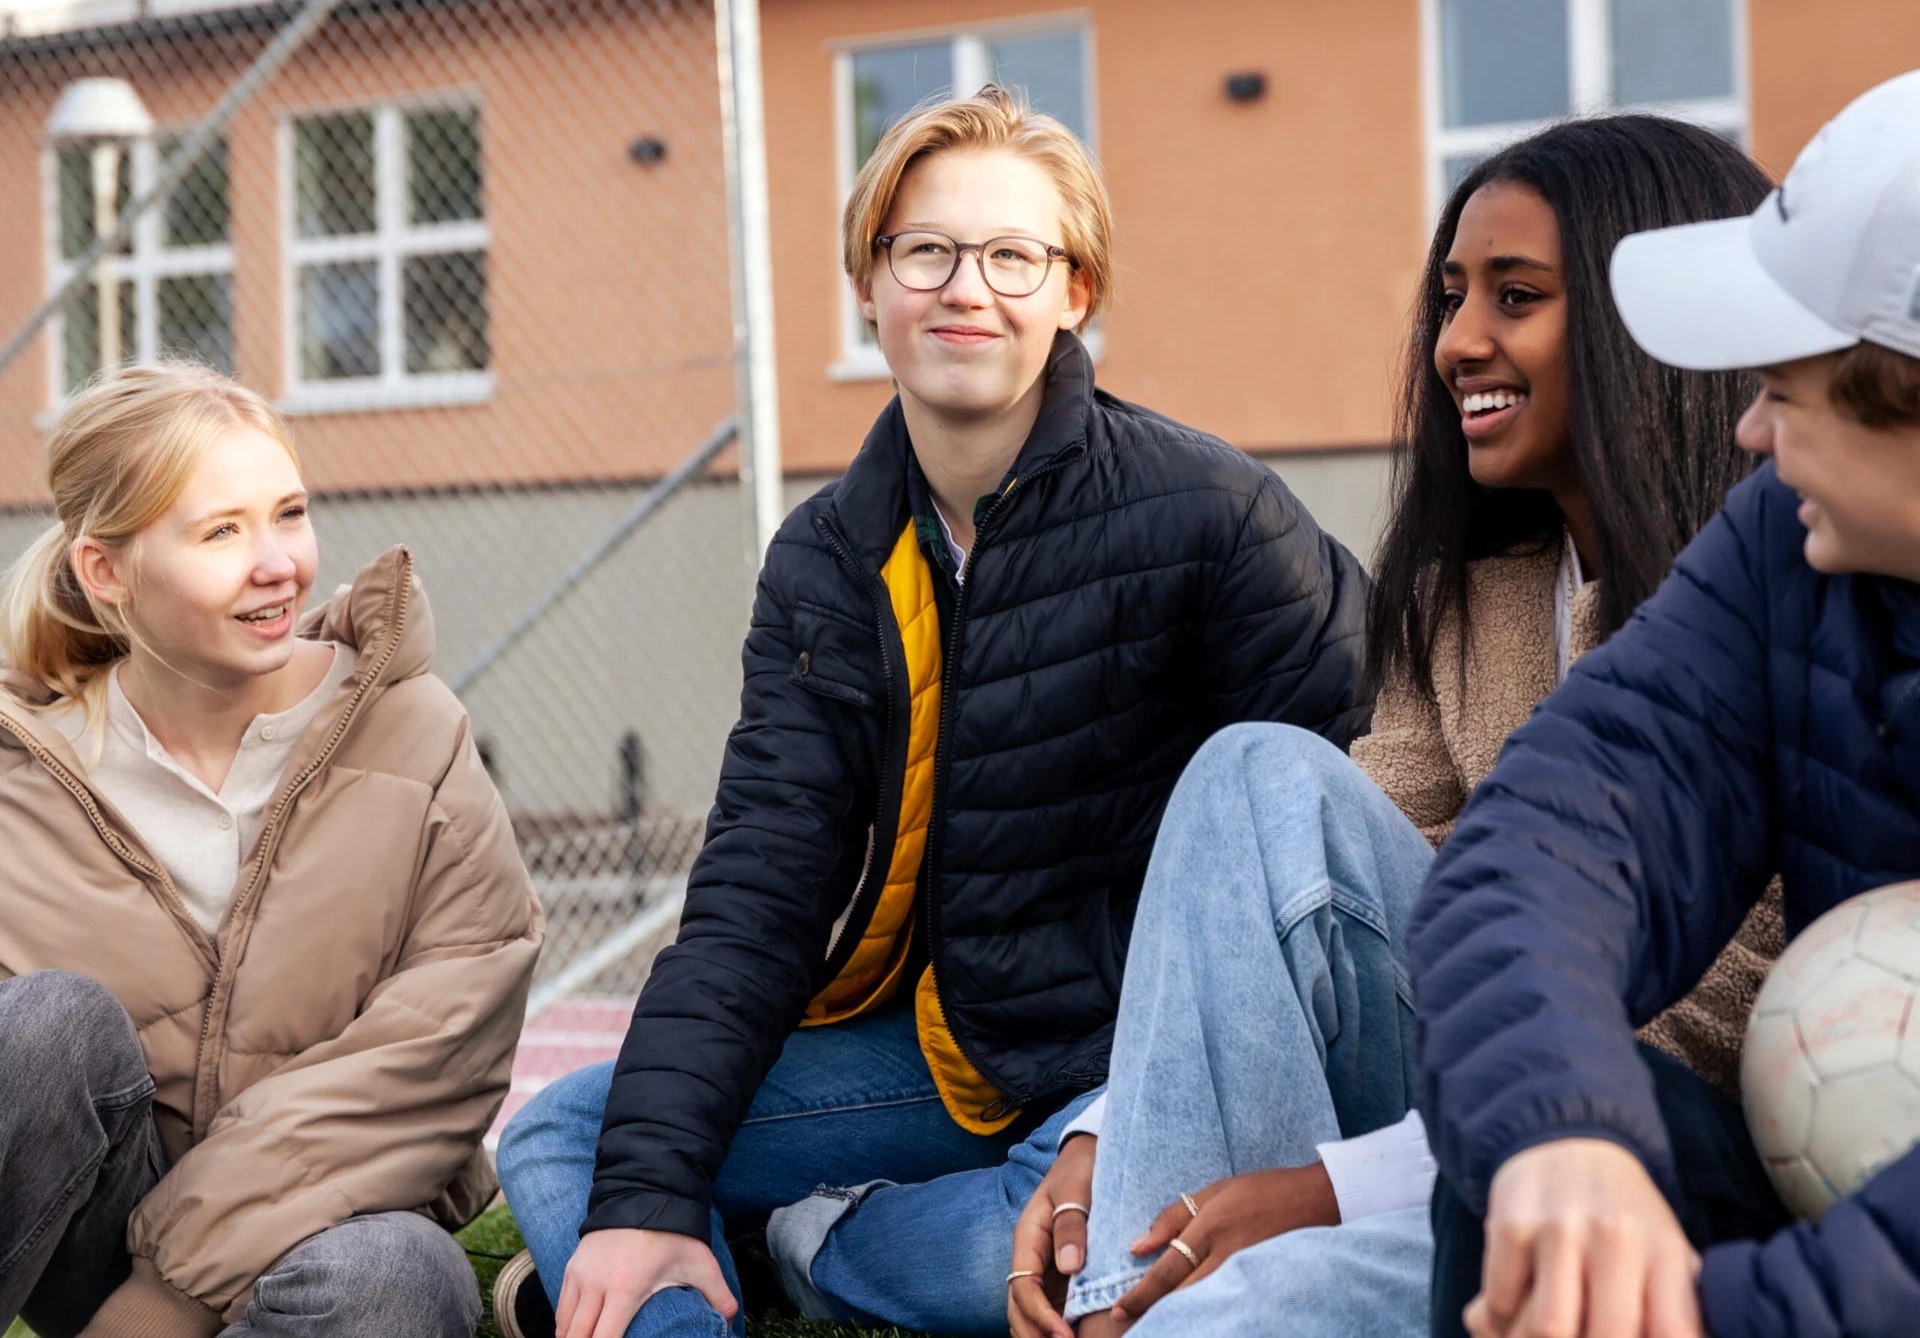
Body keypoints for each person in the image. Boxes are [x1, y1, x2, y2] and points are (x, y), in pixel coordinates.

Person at [494, 85, 1373, 1338]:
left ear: (1075, 292)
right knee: (581, 1143)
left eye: (1014, 256)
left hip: (1162, 1075)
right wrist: (648, 1196)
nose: (968, 289)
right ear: (869, 285)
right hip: (952, 1058)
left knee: (1077, 1264)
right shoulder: (827, 560)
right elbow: (758, 889)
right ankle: (708, 1274)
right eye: (926, 252)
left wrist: (1116, 1114)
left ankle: (804, 1245)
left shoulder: (1213, 517)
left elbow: (1347, 834)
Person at [982, 115, 1777, 1338]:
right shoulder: (1468, 592)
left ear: (1651, 322)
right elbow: (1367, 890)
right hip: (1433, 1124)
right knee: (1256, 776)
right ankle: (1104, 1291)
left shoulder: (1775, 597)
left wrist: (1329, 1191)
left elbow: (1694, 1034)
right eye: (1452, 297)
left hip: (1638, 1168)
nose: (1458, 342)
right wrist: (1110, 1128)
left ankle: (1095, 1290)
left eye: (1517, 296)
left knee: (1224, 1315)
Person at [1412, 68, 1920, 1338]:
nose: (1747, 430)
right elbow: (1552, 837)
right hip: (1813, 1199)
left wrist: (1683, 1315)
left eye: (1785, 387)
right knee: (1542, 1168)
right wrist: (1562, 1135)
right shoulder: (1785, 542)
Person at [0, 362, 542, 1338]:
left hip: (334, 1229)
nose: (278, 563)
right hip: (98, 1242)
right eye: (222, 531)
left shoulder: (414, 734)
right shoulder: (20, 777)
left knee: (399, 1277)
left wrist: (164, 1304)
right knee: (45, 1026)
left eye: (289, 515)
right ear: (105, 571)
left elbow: (442, 1048)